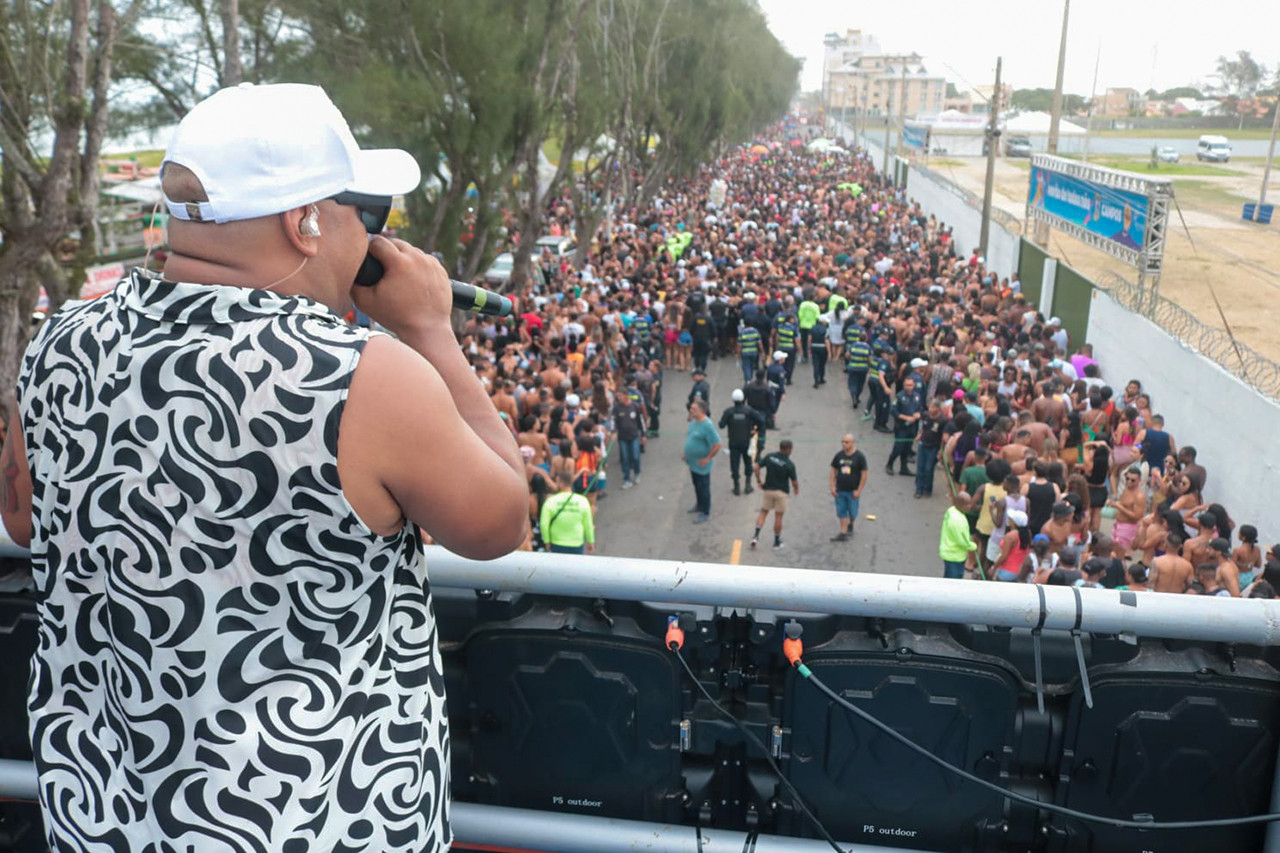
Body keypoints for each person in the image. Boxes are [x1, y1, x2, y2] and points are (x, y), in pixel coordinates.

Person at [0, 84, 531, 852]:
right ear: (304, 222)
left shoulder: (60, 341)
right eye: (369, 214)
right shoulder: (365, 376)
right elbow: (501, 523)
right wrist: (431, 332)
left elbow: (22, 519)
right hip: (323, 816)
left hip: (107, 812)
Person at [752, 439, 799, 549]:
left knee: (763, 512)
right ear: (789, 450)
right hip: (781, 493)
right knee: (778, 517)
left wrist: (759, 481)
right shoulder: (789, 464)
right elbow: (794, 481)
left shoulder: (770, 457)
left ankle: (755, 536)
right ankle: (776, 542)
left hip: (768, 490)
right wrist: (796, 489)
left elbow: (756, 467)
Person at [682, 398, 722, 523]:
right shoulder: (694, 421)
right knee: (696, 485)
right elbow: (691, 438)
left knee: (703, 487)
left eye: (694, 409)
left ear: (702, 411)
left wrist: (708, 458)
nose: (691, 410)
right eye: (691, 408)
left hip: (702, 465)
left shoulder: (707, 425)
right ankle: (699, 504)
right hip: (693, 463)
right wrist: (686, 453)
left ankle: (705, 511)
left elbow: (717, 444)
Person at [719, 389, 764, 496]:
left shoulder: (729, 412)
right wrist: (755, 430)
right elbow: (761, 421)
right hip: (746, 441)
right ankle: (748, 485)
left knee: (734, 464)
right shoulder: (749, 411)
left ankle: (736, 486)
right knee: (748, 462)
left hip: (733, 442)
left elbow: (721, 425)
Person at [541, 470, 597, 554]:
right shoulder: (582, 501)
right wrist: (590, 541)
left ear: (560, 482)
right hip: (576, 543)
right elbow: (588, 524)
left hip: (556, 542)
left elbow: (544, 524)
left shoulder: (551, 501)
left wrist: (547, 540)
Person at [829, 434, 868, 541]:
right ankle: (843, 532)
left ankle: (851, 522)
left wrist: (859, 490)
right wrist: (832, 486)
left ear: (852, 443)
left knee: (852, 512)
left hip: (852, 491)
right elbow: (833, 470)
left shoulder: (859, 457)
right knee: (841, 511)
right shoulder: (839, 456)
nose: (843, 444)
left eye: (846, 442)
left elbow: (864, 475)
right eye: (842, 442)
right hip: (840, 490)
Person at [886, 377, 921, 476]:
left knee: (907, 448)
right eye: (906, 385)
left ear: (914, 385)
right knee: (898, 447)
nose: (908, 387)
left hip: (913, 427)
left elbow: (920, 408)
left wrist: (918, 414)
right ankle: (889, 464)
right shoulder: (899, 396)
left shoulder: (917, 396)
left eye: (910, 385)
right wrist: (905, 418)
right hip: (901, 427)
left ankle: (904, 468)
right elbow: (893, 410)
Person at [613, 386, 646, 488]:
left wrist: (643, 435)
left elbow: (640, 421)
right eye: (617, 396)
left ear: (626, 395)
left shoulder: (635, 406)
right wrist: (613, 431)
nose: (619, 398)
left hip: (634, 436)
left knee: (636, 456)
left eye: (621, 396)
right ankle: (626, 478)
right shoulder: (617, 408)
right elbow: (613, 421)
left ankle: (637, 473)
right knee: (625, 458)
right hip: (622, 438)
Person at [940, 490, 978, 579]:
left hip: (948, 550)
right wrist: (973, 546)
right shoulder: (958, 521)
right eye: (967, 504)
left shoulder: (952, 511)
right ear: (960, 505)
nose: (970, 506)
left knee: (948, 576)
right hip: (954, 555)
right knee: (954, 580)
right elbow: (962, 542)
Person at [914, 398, 945, 498]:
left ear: (938, 408)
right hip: (923, 444)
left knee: (929, 468)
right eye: (930, 406)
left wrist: (941, 450)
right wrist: (920, 434)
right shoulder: (926, 415)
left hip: (933, 447)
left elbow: (943, 437)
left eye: (932, 407)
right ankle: (918, 489)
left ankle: (927, 488)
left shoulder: (942, 421)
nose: (930, 409)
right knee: (920, 468)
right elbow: (923, 427)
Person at [738, 317, 762, 385]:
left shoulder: (742, 332)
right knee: (751, 366)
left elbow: (739, 345)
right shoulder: (756, 331)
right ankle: (750, 378)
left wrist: (738, 354)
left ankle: (748, 380)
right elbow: (759, 343)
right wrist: (762, 352)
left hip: (745, 352)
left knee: (746, 367)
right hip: (754, 352)